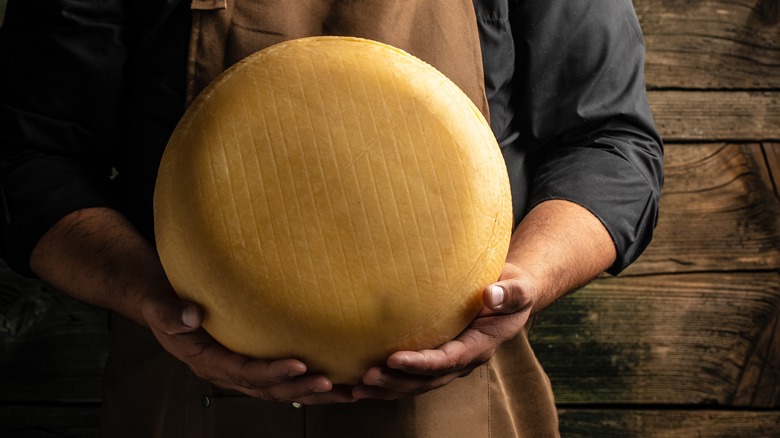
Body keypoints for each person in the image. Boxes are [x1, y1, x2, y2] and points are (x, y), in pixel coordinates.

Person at [0, 0, 663, 436]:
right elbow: (29, 158)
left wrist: (525, 283)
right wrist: (148, 299)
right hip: (183, 398)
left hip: (457, 412)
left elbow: (608, 146)